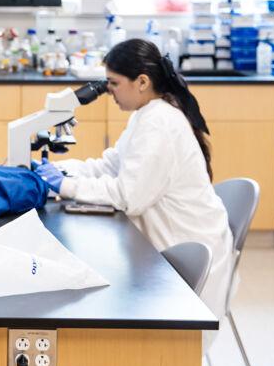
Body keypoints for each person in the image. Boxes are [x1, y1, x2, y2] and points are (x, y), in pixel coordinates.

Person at [34, 39, 233, 342]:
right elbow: (111, 165)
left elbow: (130, 197)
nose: (109, 91)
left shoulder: (159, 123)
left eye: (113, 83)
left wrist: (66, 186)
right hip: (171, 241)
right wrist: (64, 170)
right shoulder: (148, 114)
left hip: (187, 249)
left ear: (142, 81)